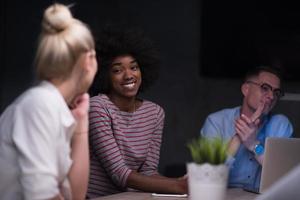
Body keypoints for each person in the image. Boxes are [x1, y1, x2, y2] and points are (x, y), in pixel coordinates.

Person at [0, 3, 97, 200]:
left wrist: (81, 121)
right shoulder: (39, 105)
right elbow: (41, 195)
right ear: (89, 60)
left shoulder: (53, 105)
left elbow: (76, 196)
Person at [87, 27, 187, 198]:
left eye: (134, 67)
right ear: (104, 75)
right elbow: (119, 173)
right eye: (117, 70)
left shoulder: (155, 113)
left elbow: (148, 172)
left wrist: (181, 183)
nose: (128, 75)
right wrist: (178, 186)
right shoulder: (98, 107)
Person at [200, 66, 293, 190]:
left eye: (276, 92)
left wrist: (254, 145)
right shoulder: (216, 122)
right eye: (265, 88)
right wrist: (239, 137)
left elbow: (284, 177)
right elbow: (207, 178)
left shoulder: (281, 124)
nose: (271, 96)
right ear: (246, 89)